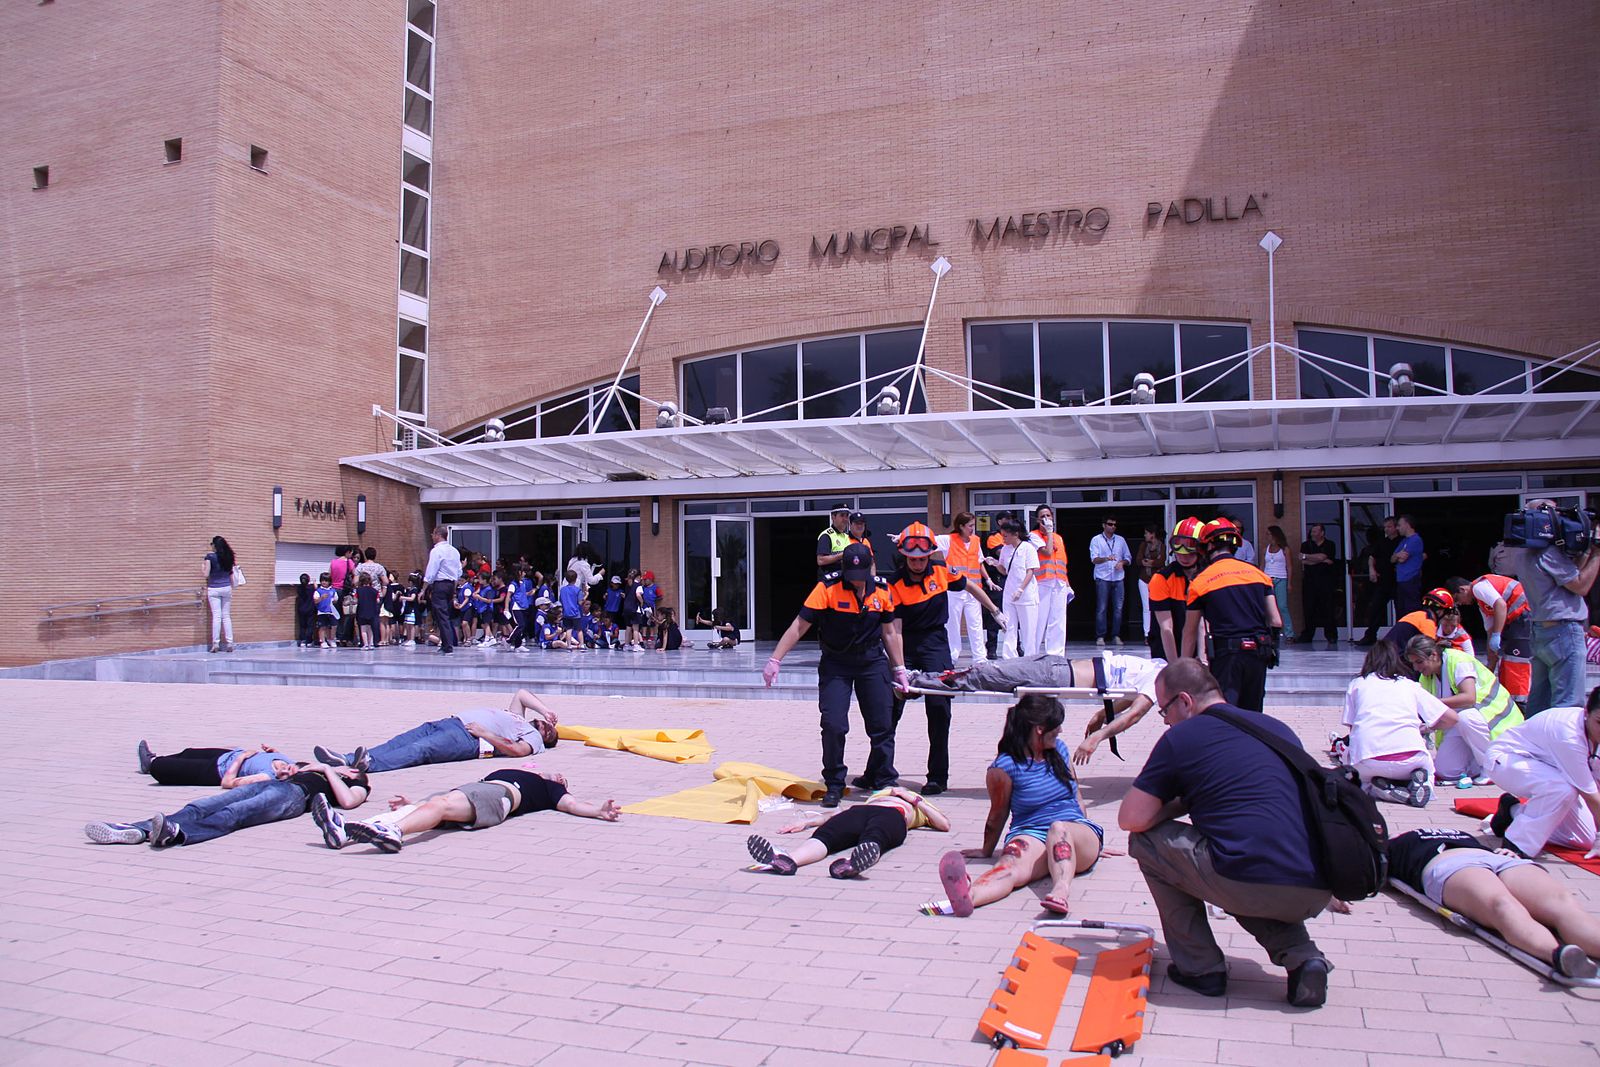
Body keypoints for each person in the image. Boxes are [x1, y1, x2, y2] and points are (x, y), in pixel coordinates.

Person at [1118, 659, 1334, 1007]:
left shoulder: (1182, 737)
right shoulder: (1276, 728)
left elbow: (1131, 818)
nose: (1166, 721)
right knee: (1240, 857)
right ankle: (1303, 957)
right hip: (1317, 885)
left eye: (1164, 711)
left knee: (1149, 843)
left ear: (1185, 701)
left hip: (1249, 880)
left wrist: (1180, 803)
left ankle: (1200, 969)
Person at [923, 695, 1102, 917]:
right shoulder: (1004, 767)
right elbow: (998, 814)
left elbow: (1077, 795)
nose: (1060, 731)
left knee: (1058, 828)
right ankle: (968, 897)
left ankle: (1060, 891)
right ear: (1039, 729)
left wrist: (1087, 833)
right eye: (1056, 726)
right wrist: (987, 850)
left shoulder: (1060, 750)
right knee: (1008, 865)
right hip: (1032, 833)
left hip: (1073, 830)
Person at [764, 542, 902, 807]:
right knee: (833, 724)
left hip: (872, 662)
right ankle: (835, 783)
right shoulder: (827, 588)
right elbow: (799, 626)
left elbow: (889, 632)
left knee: (882, 724)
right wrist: (775, 659)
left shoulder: (883, 590)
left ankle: (884, 781)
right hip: (836, 663)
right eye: (852, 577)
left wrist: (899, 668)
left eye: (862, 578)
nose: (857, 582)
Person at [1386, 828, 1600, 979]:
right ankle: (1558, 954)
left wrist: (1507, 852)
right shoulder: (1390, 846)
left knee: (1562, 903)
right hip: (1447, 865)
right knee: (1502, 904)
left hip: (1496, 858)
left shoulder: (1457, 834)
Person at [884, 521, 1002, 794]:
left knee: (939, 710)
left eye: (922, 558)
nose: (917, 563)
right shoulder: (894, 583)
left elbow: (970, 586)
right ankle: (879, 770)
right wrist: (900, 668)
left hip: (936, 644)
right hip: (906, 644)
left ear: (929, 555)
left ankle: (938, 776)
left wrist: (994, 610)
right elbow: (896, 630)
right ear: (905, 556)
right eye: (912, 558)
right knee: (889, 711)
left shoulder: (941, 571)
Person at [900, 651, 1161, 768]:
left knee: (984, 673)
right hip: (1056, 666)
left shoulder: (1156, 680)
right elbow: (1130, 697)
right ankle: (917, 679)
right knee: (988, 671)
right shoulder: (1159, 673)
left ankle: (915, 681)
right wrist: (1101, 716)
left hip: (1055, 675)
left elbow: (1135, 713)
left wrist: (1097, 736)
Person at [312, 768, 618, 852]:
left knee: (440, 805)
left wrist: (597, 811)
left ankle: (395, 833)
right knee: (426, 805)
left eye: (565, 779)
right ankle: (345, 832)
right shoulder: (528, 771)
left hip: (498, 796)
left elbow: (572, 804)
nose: (561, 777)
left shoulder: (551, 790)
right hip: (475, 790)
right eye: (559, 774)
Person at [85, 762, 369, 847]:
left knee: (234, 814)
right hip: (276, 784)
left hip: (294, 797)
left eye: (347, 768)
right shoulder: (316, 769)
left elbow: (348, 802)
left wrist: (330, 771)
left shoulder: (358, 783)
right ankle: (137, 830)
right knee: (201, 805)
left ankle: (180, 834)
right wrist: (287, 771)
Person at [313, 689, 560, 772]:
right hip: (452, 722)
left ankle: (370, 765)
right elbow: (522, 694)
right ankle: (347, 759)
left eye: (549, 730)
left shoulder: (533, 737)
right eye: (545, 724)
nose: (544, 726)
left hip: (468, 737)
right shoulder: (518, 717)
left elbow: (517, 751)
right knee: (401, 740)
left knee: (421, 749)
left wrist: (484, 733)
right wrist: (546, 710)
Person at [1484, 687, 1600, 859]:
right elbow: (1590, 795)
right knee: (1561, 790)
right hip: (1509, 760)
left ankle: (1512, 811)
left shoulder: (1589, 730)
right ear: (1586, 712)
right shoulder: (1569, 735)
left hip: (1553, 770)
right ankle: (1516, 843)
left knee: (1583, 838)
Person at [1182, 518, 1280, 713]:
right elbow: (1276, 620)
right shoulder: (1260, 575)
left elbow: (1190, 632)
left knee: (1227, 714)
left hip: (1227, 655)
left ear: (1208, 545)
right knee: (1253, 714)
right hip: (1259, 652)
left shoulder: (1200, 582)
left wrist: (1183, 669)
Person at [747, 786, 950, 878]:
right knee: (826, 835)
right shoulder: (878, 795)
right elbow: (836, 813)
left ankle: (853, 864)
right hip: (859, 811)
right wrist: (809, 822)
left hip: (893, 815)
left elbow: (944, 824)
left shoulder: (916, 804)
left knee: (876, 836)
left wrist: (913, 799)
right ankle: (788, 859)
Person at [1337, 641, 1450, 807]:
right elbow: (1451, 718)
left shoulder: (1357, 684)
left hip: (1369, 758)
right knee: (1426, 770)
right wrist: (1426, 727)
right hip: (1412, 757)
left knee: (1363, 785)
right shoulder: (1410, 685)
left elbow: (1352, 728)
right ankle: (1420, 783)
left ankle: (1381, 790)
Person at [1517, 501, 1600, 715]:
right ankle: (1563, 747)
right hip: (1563, 631)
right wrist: (1598, 555)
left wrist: (1589, 549)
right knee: (1568, 704)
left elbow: (1569, 575)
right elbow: (1581, 585)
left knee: (1540, 702)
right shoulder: (1548, 553)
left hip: (1542, 631)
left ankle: (1535, 744)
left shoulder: (1525, 553)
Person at [1449, 573, 1532, 709]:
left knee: (1516, 662)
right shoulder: (1483, 604)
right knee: (1508, 661)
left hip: (1524, 614)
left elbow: (1501, 605)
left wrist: (1497, 634)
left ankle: (1520, 702)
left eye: (1457, 599)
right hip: (1518, 619)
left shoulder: (1478, 587)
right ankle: (1513, 700)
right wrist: (1490, 666)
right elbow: (1490, 631)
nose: (1460, 604)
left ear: (1462, 589)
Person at [134, 740, 302, 788]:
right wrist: (273, 751)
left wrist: (241, 758)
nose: (286, 771)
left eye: (285, 776)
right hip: (225, 755)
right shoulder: (289, 761)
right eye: (291, 770)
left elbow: (227, 783)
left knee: (161, 768)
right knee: (188, 752)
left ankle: (151, 764)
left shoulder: (267, 776)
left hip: (215, 771)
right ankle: (152, 758)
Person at [1147, 517, 1202, 662]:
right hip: (1166, 650)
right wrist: (1175, 667)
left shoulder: (1208, 578)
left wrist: (1204, 660)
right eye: (1179, 549)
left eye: (1189, 551)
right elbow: (1166, 629)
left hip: (1199, 650)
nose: (1184, 556)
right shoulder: (1161, 579)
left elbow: (1204, 625)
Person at [939, 511, 990, 662]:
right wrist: (903, 538)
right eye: (970, 526)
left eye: (973, 525)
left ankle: (980, 658)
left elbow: (979, 562)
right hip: (954, 589)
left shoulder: (976, 540)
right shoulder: (948, 540)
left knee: (975, 624)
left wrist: (988, 580)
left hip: (973, 590)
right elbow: (928, 541)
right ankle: (952, 657)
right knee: (952, 625)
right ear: (960, 526)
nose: (972, 528)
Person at [990, 519, 1041, 658]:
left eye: (1006, 536)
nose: (1003, 539)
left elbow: (1030, 571)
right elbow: (1005, 570)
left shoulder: (1028, 548)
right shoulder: (1005, 549)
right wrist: (994, 563)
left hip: (1026, 594)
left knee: (1028, 628)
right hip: (1009, 593)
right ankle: (1009, 656)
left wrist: (1021, 589)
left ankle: (1031, 656)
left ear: (1016, 534)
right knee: (1009, 626)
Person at [1030, 506, 1072, 655]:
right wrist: (1048, 532)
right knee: (1039, 620)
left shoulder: (1058, 537)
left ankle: (1056, 653)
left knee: (1058, 620)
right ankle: (1032, 652)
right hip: (1043, 582)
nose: (1046, 519)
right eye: (1043, 516)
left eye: (1048, 515)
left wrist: (1067, 584)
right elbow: (1047, 553)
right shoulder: (1033, 536)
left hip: (1058, 582)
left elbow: (1062, 561)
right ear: (1038, 519)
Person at [1356, 516, 1402, 646]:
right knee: (1375, 609)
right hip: (1383, 581)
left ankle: (1401, 637)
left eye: (1389, 527)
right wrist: (1372, 570)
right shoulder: (1382, 542)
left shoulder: (1403, 541)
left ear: (1396, 527)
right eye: (1385, 527)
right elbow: (1372, 557)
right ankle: (1370, 636)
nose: (1386, 529)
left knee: (1401, 610)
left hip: (1399, 581)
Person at [1089, 516, 1132, 647]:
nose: (1112, 526)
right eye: (1109, 524)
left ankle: (1116, 635)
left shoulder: (1120, 540)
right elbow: (1094, 559)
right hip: (1103, 577)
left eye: (1114, 524)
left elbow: (1128, 557)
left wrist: (1122, 562)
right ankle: (1100, 636)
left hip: (1118, 578)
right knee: (1102, 608)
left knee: (1118, 608)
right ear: (1103, 525)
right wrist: (1107, 559)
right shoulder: (1096, 540)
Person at [1296, 523, 1339, 646]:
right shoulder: (1306, 545)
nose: (1313, 534)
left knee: (1328, 609)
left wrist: (1310, 557)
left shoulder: (1330, 544)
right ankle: (1307, 635)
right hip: (1309, 582)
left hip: (1326, 582)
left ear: (1322, 533)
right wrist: (1321, 560)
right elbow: (1303, 561)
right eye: (1312, 531)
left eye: (1315, 531)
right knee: (1309, 609)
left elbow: (1324, 556)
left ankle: (1331, 635)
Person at [423, 526, 463, 655]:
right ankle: (448, 642)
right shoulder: (454, 551)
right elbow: (458, 572)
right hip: (451, 585)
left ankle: (447, 645)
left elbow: (431, 571)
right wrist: (454, 591)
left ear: (438, 535)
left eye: (433, 534)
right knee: (446, 615)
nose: (432, 536)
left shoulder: (436, 551)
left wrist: (423, 589)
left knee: (441, 615)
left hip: (440, 584)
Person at [1384, 586, 1449, 651]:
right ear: (1440, 611)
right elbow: (1431, 650)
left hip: (1387, 655)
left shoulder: (1418, 615)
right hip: (1394, 658)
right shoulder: (1427, 621)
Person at [202, 535, 237, 653]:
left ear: (215, 545)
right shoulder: (229, 556)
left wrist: (202, 567)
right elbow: (231, 573)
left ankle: (215, 644)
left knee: (216, 616)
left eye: (211, 544)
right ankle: (230, 643)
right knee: (226, 616)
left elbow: (206, 574)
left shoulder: (210, 557)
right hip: (227, 587)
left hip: (214, 589)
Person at [1262, 525, 1294, 643]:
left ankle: (1289, 633)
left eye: (1269, 534)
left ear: (1275, 535)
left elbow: (1289, 566)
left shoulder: (1285, 549)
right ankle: (1267, 632)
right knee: (1267, 607)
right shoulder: (1265, 549)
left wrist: (1289, 583)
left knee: (1282, 606)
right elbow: (1262, 565)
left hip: (1281, 579)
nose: (1267, 536)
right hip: (1267, 580)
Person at [1392, 514, 1425, 616]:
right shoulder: (1404, 541)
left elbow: (1402, 559)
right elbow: (1392, 558)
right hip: (1401, 580)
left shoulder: (1415, 540)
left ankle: (1413, 631)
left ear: (1407, 524)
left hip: (1410, 580)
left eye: (1399, 525)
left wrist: (1398, 557)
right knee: (1401, 610)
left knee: (1411, 611)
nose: (1397, 528)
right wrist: (1397, 555)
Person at [1138, 526, 1166, 640]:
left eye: (1146, 533)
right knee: (1146, 607)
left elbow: (1161, 561)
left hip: (1157, 580)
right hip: (1144, 579)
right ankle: (1146, 634)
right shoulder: (1143, 545)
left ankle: (1158, 632)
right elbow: (1139, 560)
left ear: (1152, 534)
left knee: (1157, 606)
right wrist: (1153, 562)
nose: (1145, 536)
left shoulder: (1162, 546)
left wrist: (1150, 562)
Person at [816, 504, 853, 579]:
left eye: (847, 516)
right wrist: (841, 555)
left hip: (845, 579)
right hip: (831, 581)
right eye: (842, 515)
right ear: (833, 517)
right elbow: (820, 560)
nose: (845, 519)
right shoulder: (826, 535)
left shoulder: (847, 536)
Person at [354, 573, 381, 648]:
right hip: (372, 612)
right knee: (370, 628)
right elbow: (378, 600)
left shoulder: (358, 590)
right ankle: (371, 643)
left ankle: (365, 644)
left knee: (363, 629)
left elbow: (355, 600)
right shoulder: (375, 591)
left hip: (361, 612)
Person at [313, 573, 339, 648]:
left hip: (331, 612)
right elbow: (315, 601)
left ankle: (331, 639)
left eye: (326, 581)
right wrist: (321, 598)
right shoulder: (318, 591)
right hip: (322, 612)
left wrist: (333, 601)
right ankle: (322, 641)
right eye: (322, 580)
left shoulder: (333, 590)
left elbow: (335, 600)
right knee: (322, 626)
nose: (324, 582)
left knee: (333, 626)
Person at [294, 573, 316, 647]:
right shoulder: (311, 588)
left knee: (302, 625)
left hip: (301, 609)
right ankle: (309, 641)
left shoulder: (299, 588)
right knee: (310, 625)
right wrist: (315, 582)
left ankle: (302, 640)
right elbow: (316, 589)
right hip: (310, 609)